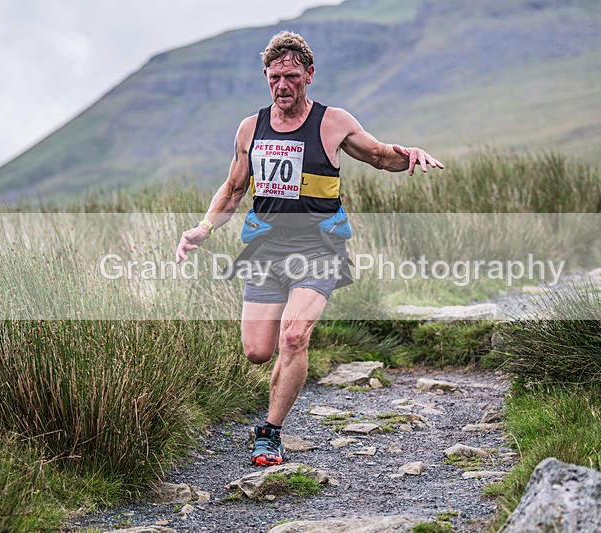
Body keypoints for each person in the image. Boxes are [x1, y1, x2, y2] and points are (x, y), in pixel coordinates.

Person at [175, 31, 444, 466]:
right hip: (266, 248)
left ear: (309, 75)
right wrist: (203, 227)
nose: (283, 86)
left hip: (320, 246)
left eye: (292, 77)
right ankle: (283, 378)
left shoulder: (332, 122)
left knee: (294, 336)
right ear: (266, 76)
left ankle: (270, 433)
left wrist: (408, 154)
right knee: (257, 351)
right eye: (275, 77)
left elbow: (378, 155)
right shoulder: (250, 128)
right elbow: (234, 188)